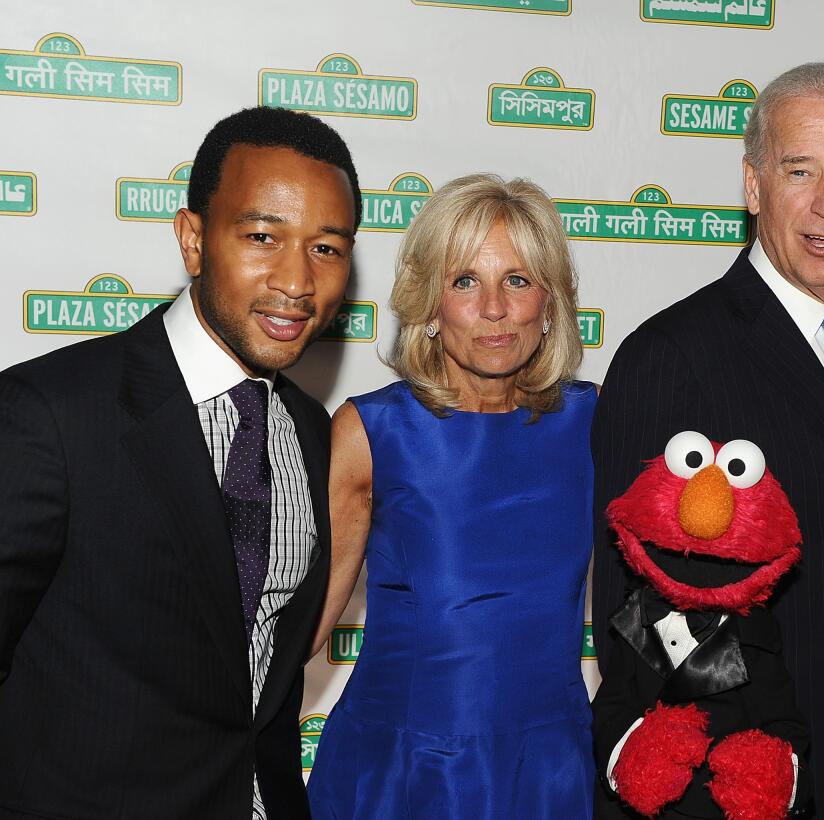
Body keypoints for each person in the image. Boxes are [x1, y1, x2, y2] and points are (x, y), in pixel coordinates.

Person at [592, 62, 824, 819]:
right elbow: (636, 617)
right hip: (758, 792)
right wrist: (730, 775)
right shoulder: (671, 355)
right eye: (799, 170)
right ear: (753, 185)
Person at [0, 106, 360, 819]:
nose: (296, 280)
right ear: (193, 240)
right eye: (263, 236)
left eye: (326, 248)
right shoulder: (50, 413)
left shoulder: (311, 430)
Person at [306, 173, 595, 819]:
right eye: (465, 281)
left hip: (553, 773)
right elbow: (300, 627)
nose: (493, 308)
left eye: (517, 280)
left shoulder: (595, 425)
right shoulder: (371, 432)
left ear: (549, 303)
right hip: (406, 776)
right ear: (430, 305)